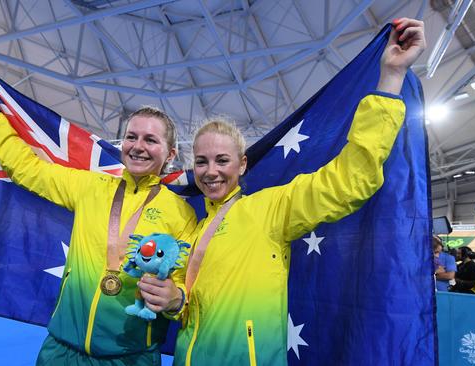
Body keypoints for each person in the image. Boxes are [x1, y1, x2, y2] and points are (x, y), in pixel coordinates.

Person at [158, 18, 427, 366]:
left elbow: (349, 180)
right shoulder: (194, 232)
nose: (210, 172)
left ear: (242, 165)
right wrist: (175, 300)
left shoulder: (271, 210)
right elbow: (184, 301)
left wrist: (390, 76)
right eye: (202, 161)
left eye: (222, 160)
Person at [0, 63, 197, 366]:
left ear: (170, 154)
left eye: (151, 140)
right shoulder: (91, 186)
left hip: (130, 357)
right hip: (62, 350)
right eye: (131, 137)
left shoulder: (181, 214)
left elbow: (184, 287)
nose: (138, 146)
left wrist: (174, 299)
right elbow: (26, 169)